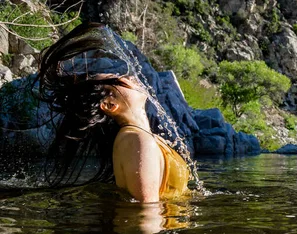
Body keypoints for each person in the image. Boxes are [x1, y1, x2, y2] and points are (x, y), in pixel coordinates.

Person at [36, 22, 189, 202]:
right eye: (118, 80)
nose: (130, 77)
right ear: (110, 105)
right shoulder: (136, 141)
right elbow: (146, 216)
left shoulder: (140, 137)